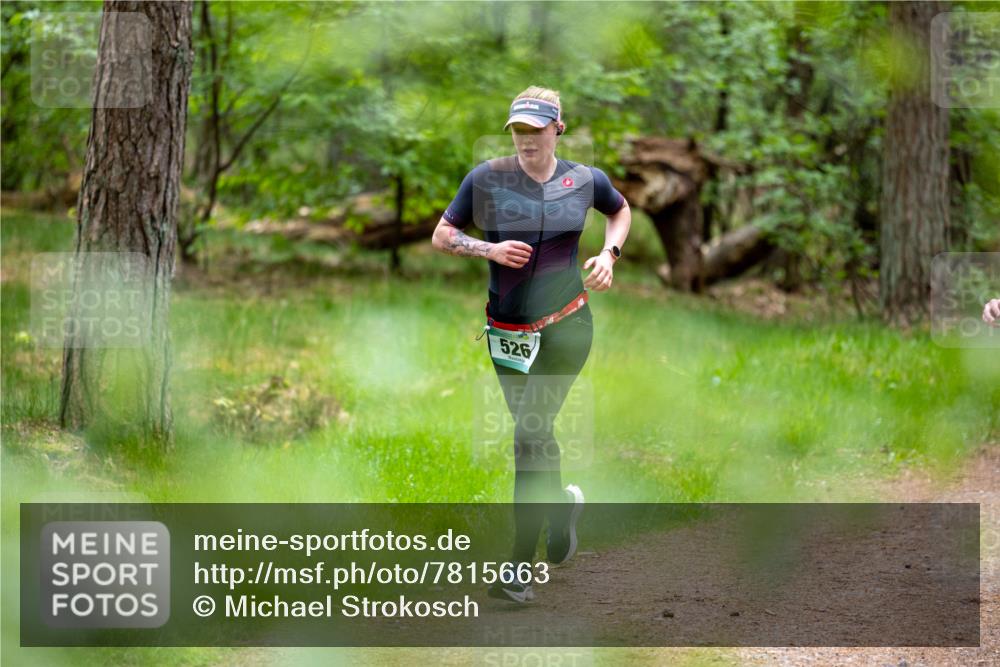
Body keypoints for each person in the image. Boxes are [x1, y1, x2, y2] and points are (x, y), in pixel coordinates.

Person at [431, 86, 632, 603]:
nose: (526, 140)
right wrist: (489, 247)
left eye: (536, 129)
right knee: (535, 436)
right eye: (518, 130)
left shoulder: (586, 181)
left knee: (528, 433)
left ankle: (519, 567)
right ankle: (561, 507)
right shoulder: (487, 179)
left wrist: (609, 255)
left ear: (557, 129)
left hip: (567, 325)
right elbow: (442, 234)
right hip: (507, 334)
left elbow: (621, 209)